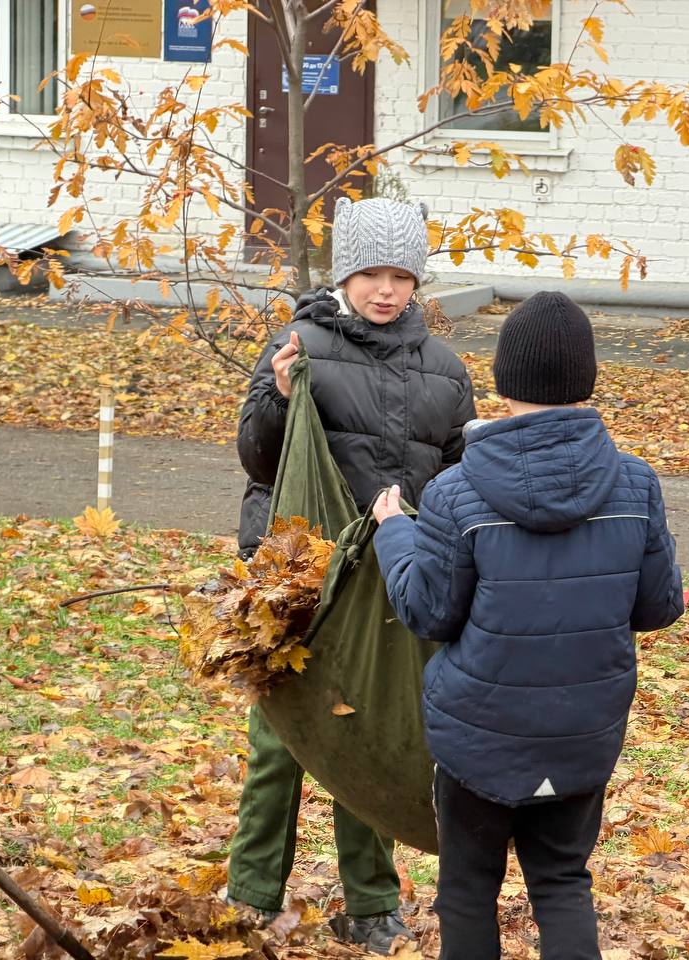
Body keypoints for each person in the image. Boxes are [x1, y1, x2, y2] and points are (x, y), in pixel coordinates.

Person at [370, 291, 685, 958]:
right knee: (564, 882)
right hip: (581, 737)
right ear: (586, 382)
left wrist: (393, 533)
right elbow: (659, 608)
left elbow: (427, 611)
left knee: (466, 888)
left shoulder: (457, 492)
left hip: (476, 743)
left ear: (504, 384)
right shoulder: (636, 486)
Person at [231, 197, 477, 952]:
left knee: (370, 733)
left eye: (401, 275)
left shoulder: (442, 369)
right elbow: (257, 457)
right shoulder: (298, 345)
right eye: (371, 272)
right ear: (345, 273)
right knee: (281, 738)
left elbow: (458, 476)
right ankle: (253, 893)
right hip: (300, 581)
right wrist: (276, 398)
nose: (386, 290)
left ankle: (371, 904)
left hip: (391, 579)